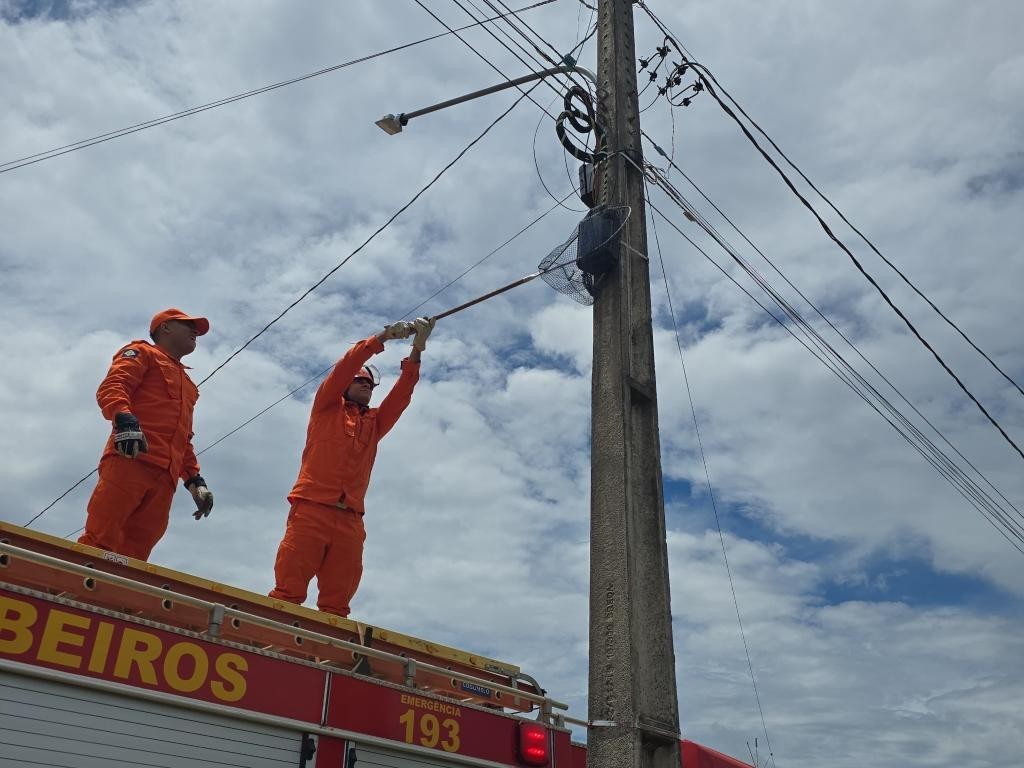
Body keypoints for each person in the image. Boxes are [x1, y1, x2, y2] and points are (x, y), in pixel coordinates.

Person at [269, 316, 435, 616]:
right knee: (287, 592)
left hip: (350, 520)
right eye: (360, 381)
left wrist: (417, 349)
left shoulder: (374, 423)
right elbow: (345, 367)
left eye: (370, 384)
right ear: (345, 385)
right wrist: (382, 338)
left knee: (337, 605)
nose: (367, 386)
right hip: (311, 509)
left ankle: (327, 646)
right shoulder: (326, 407)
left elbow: (402, 396)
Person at [78, 308, 214, 561]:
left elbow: (184, 438)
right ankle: (78, 581)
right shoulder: (143, 353)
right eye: (189, 326)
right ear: (165, 327)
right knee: (101, 538)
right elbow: (114, 386)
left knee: (137, 553)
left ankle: (118, 587)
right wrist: (124, 419)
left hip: (166, 477)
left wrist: (195, 480)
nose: (195, 332)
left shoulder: (189, 385)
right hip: (132, 458)